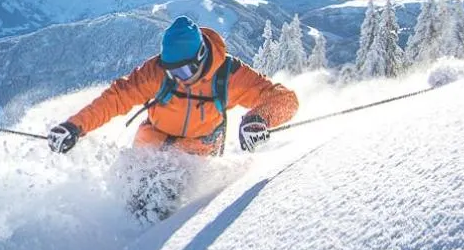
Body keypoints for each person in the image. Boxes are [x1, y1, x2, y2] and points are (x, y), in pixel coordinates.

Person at [47, 15, 298, 157]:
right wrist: (75, 126)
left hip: (196, 158)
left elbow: (285, 99)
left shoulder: (227, 76)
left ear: (201, 56)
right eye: (171, 70)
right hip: (150, 151)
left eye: (184, 70)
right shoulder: (157, 73)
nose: (178, 77)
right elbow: (116, 98)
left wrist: (260, 119)